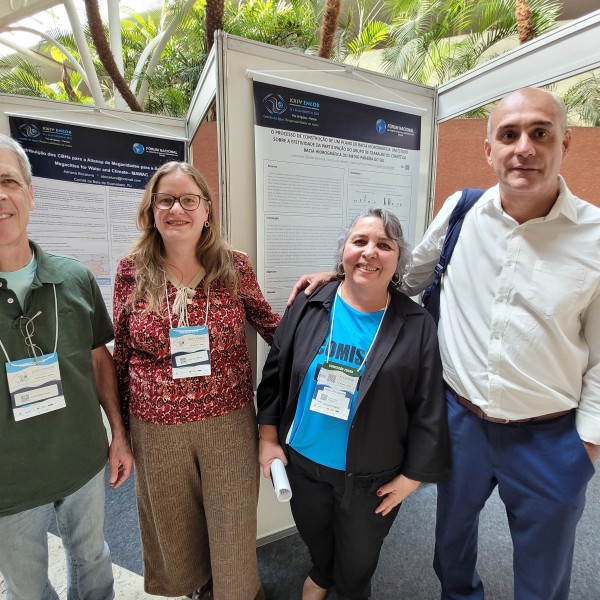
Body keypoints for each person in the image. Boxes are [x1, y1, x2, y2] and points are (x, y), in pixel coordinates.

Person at [289, 88, 600, 600]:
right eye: (509, 134)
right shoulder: (463, 212)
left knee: (543, 576)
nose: (524, 147)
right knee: (450, 551)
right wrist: (348, 277)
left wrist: (584, 448)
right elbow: (408, 279)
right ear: (489, 150)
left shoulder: (592, 236)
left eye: (540, 133)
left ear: (565, 143)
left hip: (551, 437)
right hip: (461, 425)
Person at [257, 208, 449, 600]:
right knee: (317, 539)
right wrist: (268, 437)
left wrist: (413, 477)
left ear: (398, 259)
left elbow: (429, 406)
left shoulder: (416, 324)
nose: (369, 252)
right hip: (304, 464)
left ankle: (345, 587)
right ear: (343, 250)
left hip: (371, 479)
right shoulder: (310, 303)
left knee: (358, 562)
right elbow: (275, 372)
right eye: (359, 241)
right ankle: (321, 574)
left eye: (384, 245)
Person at [112, 161, 279, 600]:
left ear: (206, 209)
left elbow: (273, 327)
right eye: (165, 200)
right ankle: (196, 589)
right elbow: (123, 353)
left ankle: (239, 592)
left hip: (227, 421)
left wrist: (332, 293)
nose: (176, 210)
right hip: (156, 427)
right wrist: (121, 434)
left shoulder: (234, 267)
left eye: (189, 200)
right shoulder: (131, 271)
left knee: (232, 525)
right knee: (174, 530)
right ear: (151, 209)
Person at [0, 134, 133, 600]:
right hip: (8, 485)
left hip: (82, 463)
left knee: (94, 564)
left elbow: (100, 359)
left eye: (8, 181)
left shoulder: (74, 278)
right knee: (27, 589)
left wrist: (118, 432)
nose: (0, 196)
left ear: (30, 194)